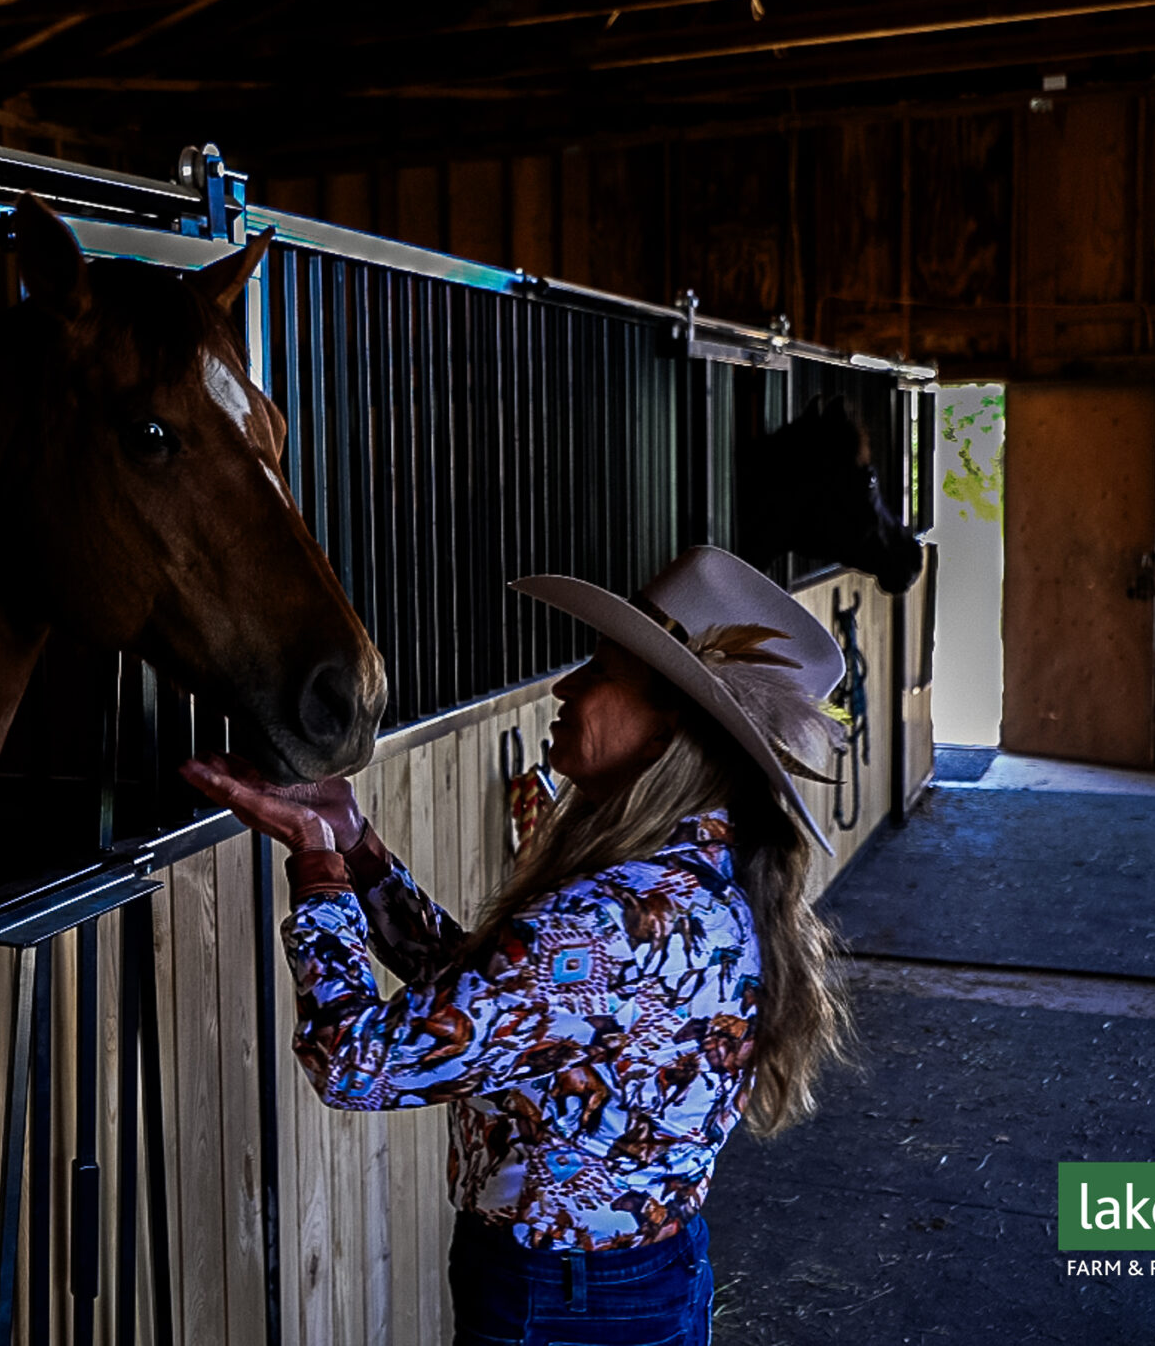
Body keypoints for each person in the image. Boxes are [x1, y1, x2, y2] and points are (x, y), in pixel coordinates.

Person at [183, 545, 856, 1346]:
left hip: (563, 1301)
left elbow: (358, 1062)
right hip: (640, 1276)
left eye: (599, 670)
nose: (566, 686)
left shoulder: (611, 919)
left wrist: (318, 864)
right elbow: (494, 1004)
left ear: (669, 725)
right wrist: (357, 846)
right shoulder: (693, 877)